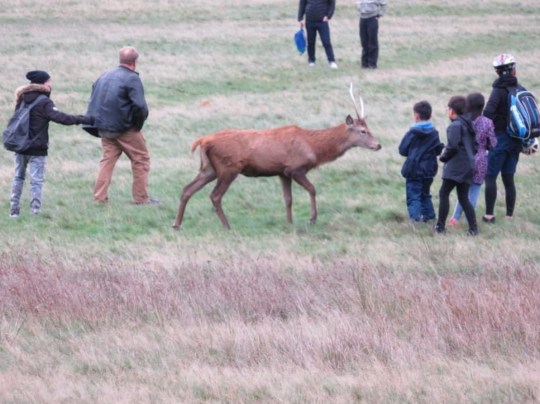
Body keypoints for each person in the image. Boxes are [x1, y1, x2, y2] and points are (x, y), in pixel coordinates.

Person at [9, 70, 94, 218]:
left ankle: (14, 211)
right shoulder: (44, 102)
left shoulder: (22, 98)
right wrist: (84, 119)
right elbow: (62, 118)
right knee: (36, 181)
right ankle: (35, 213)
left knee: (18, 177)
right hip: (37, 148)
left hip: (20, 146)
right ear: (43, 84)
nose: (51, 84)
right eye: (49, 82)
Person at [85, 46, 158, 205]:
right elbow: (140, 106)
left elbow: (94, 98)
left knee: (107, 161)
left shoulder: (104, 75)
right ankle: (141, 198)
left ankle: (99, 197)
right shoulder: (132, 78)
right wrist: (137, 126)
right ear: (135, 62)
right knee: (141, 159)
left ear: (121, 60)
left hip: (104, 128)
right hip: (124, 129)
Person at [482, 53, 526, 223]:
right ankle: (509, 216)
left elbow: (487, 113)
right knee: (508, 178)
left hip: (500, 139)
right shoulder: (520, 88)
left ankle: (489, 215)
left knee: (491, 176)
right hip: (516, 140)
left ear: (497, 72)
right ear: (513, 70)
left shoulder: (498, 90)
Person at [449, 93, 497, 226]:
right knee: (474, 190)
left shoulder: (462, 121)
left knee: (462, 192)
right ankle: (469, 219)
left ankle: (455, 218)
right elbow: (493, 144)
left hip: (464, 159)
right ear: (483, 106)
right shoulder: (487, 122)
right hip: (481, 160)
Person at [435, 96, 478, 236]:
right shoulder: (470, 124)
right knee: (463, 197)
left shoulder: (455, 126)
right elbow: (476, 146)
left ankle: (440, 227)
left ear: (452, 110)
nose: (447, 111)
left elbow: (452, 146)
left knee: (443, 193)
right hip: (469, 165)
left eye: (448, 108)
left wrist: (443, 157)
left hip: (457, 165)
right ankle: (473, 229)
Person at [398, 100, 444, 222]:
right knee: (425, 194)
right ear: (430, 115)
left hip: (414, 170)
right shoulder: (434, 133)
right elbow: (438, 150)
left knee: (414, 196)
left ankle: (415, 220)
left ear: (416, 116)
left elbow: (402, 150)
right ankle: (430, 216)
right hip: (429, 170)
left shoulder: (412, 133)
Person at [297, 0, 338, 69]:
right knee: (310, 42)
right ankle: (311, 61)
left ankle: (332, 61)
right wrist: (300, 18)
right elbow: (302, 4)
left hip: (322, 21)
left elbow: (332, 3)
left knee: (326, 42)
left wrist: (328, 16)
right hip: (309, 21)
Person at [357, 0, 387, 69]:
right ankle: (364, 63)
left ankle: (372, 64)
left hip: (372, 18)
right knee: (364, 41)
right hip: (362, 18)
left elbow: (384, 4)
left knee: (372, 42)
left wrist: (379, 14)